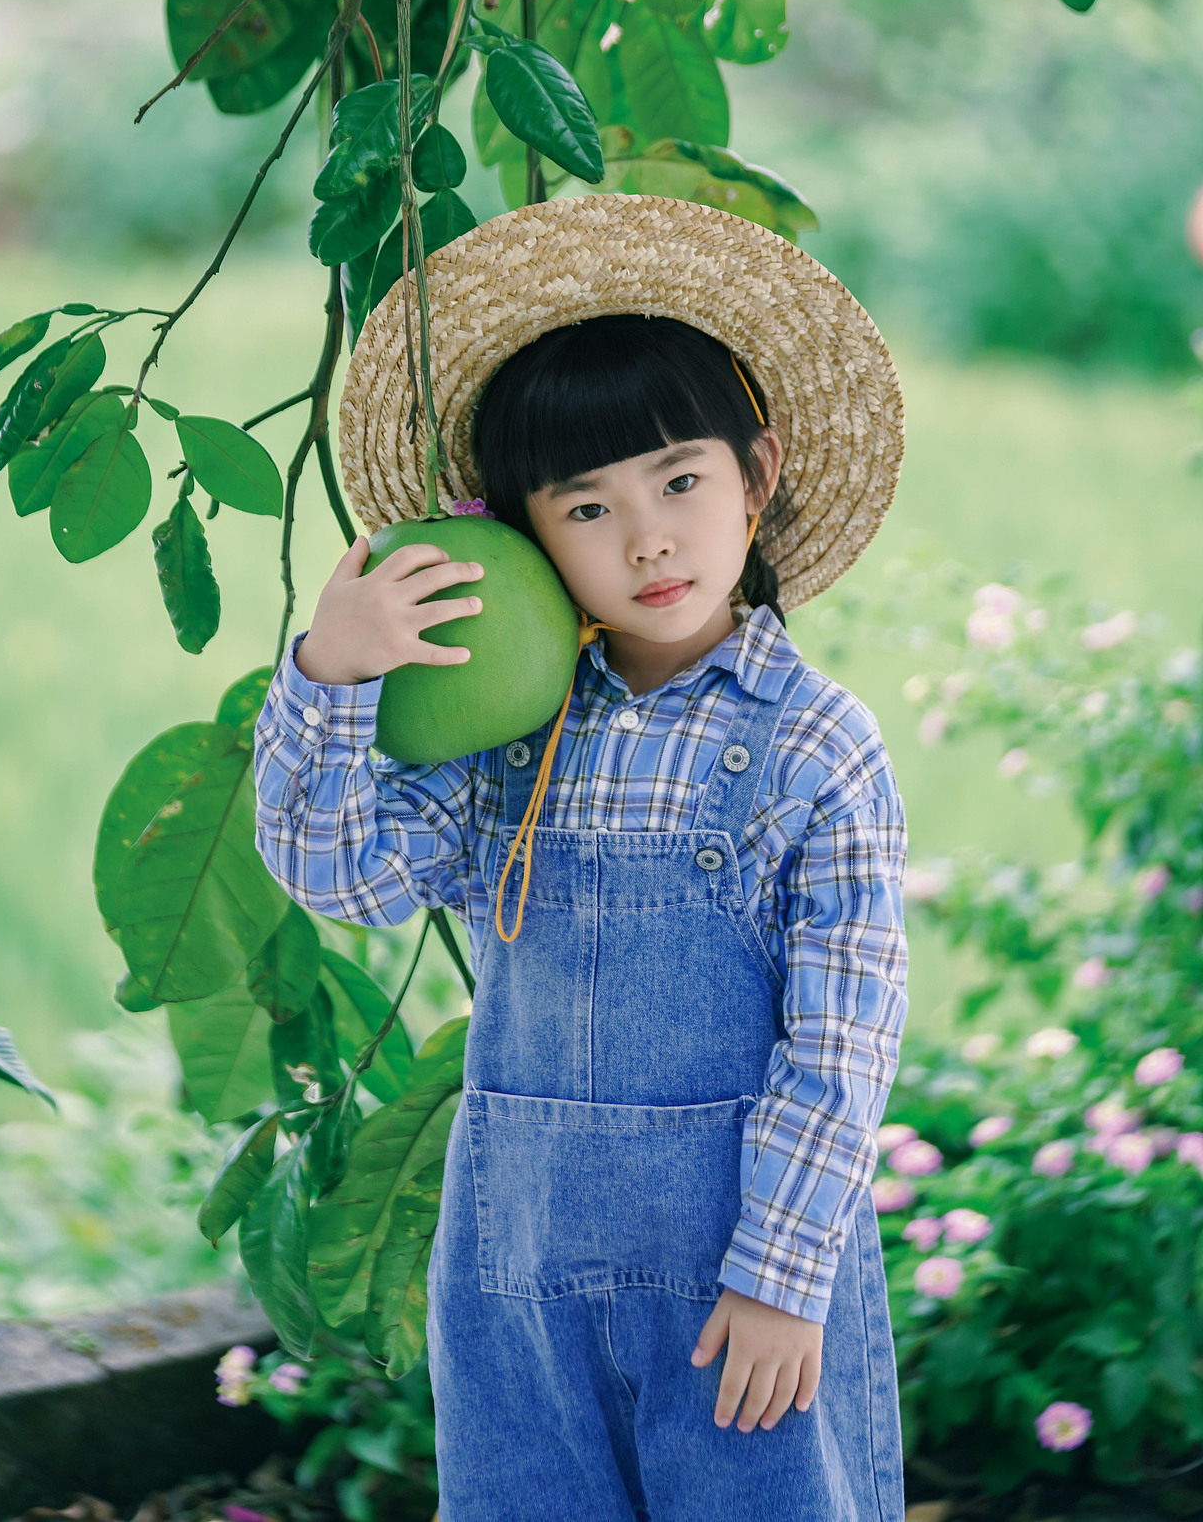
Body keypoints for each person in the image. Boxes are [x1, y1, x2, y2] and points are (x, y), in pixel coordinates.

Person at [254, 194, 909, 1521]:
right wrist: (329, 675)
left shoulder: (814, 749)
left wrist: (783, 1276)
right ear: (526, 535)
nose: (649, 540)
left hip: (737, 1278)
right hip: (519, 1271)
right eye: (588, 508)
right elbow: (350, 880)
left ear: (758, 474)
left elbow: (843, 1041)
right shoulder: (512, 732)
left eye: (680, 482)